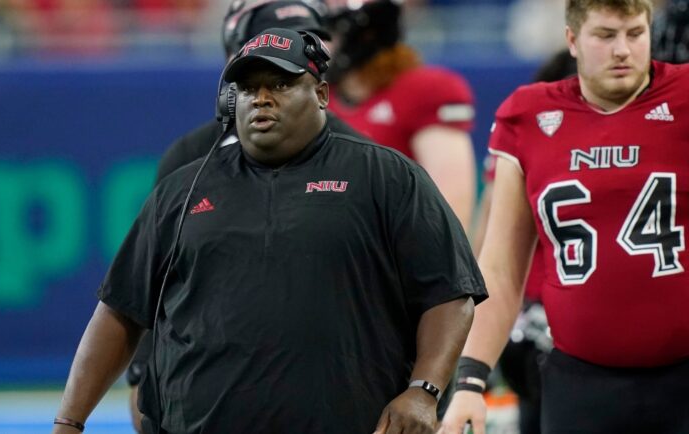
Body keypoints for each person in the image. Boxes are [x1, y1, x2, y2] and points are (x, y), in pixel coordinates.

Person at [53, 27, 487, 434]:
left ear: (320, 94)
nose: (260, 99)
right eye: (247, 88)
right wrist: (69, 423)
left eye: (279, 85)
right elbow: (118, 311)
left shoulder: (386, 176)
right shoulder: (183, 191)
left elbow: (450, 294)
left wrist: (423, 390)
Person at [440, 1, 689, 433]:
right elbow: (501, 269)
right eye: (606, 35)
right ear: (572, 40)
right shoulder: (529, 114)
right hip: (579, 380)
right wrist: (470, 380)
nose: (623, 50)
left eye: (635, 33)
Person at [124, 2, 365, 431]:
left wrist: (423, 387)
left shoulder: (366, 162)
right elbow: (151, 286)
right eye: (275, 39)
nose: (294, 49)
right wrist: (141, 373)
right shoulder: (189, 160)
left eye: (309, 39)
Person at [469, 48, 576, 434]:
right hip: (561, 315)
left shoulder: (526, 130)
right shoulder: (535, 132)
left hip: (521, 315)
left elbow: (483, 242)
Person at [323, 0, 477, 229]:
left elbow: (450, 213)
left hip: (392, 251)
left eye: (328, 31)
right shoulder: (315, 94)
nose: (318, 42)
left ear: (364, 35)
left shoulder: (425, 91)